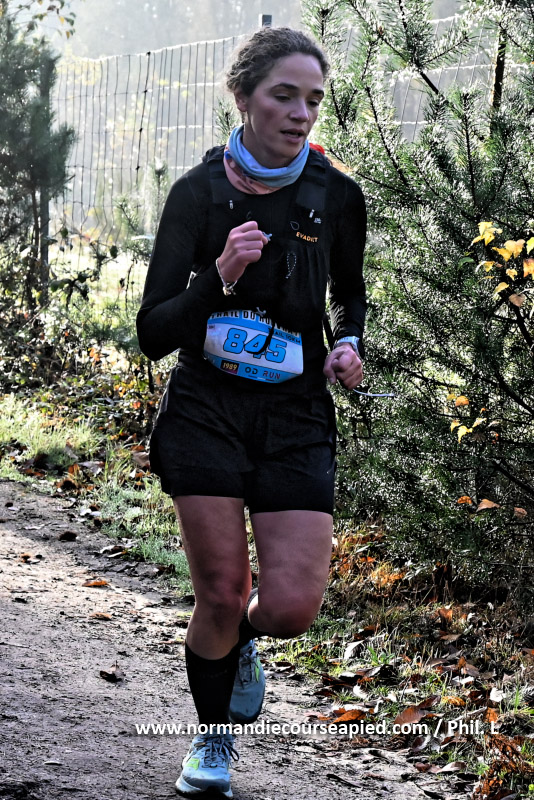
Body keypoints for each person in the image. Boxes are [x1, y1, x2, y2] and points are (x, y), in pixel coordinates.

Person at [136, 25, 366, 799]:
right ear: (242, 97)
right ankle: (213, 742)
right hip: (206, 409)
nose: (302, 114)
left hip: (295, 415)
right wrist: (220, 276)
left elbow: (350, 294)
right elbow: (153, 333)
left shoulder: (337, 195)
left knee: (292, 607)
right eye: (284, 96)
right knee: (222, 594)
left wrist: (349, 345)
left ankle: (235, 645)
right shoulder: (197, 195)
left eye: (314, 100)